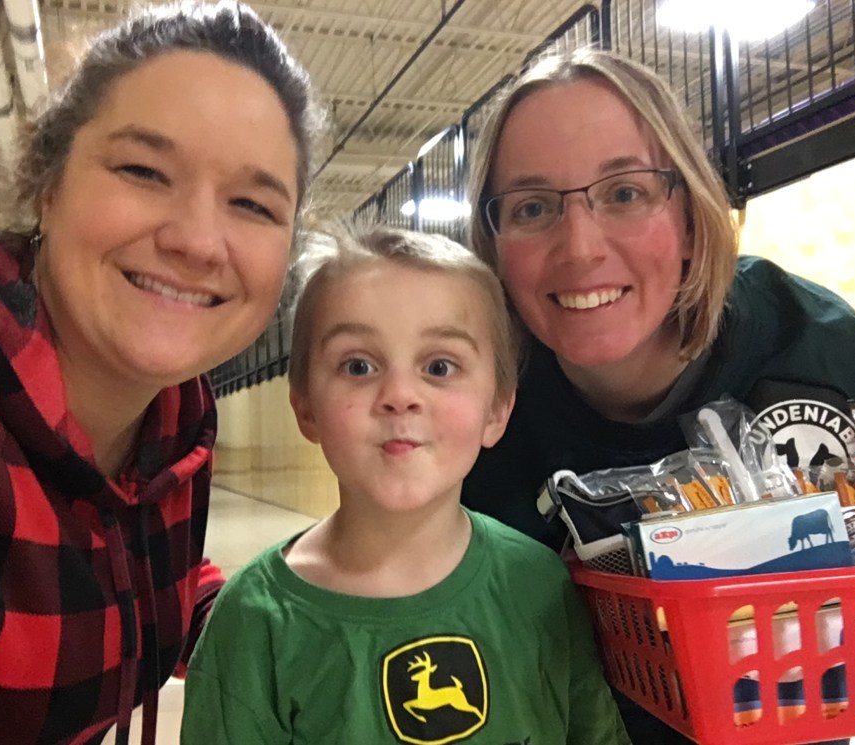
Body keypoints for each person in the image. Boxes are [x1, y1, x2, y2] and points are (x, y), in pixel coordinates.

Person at [460, 47, 855, 744]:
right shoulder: (473, 419)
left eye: (624, 193)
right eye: (533, 207)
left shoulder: (813, 345)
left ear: (690, 219)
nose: (580, 248)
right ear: (493, 247)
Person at [0, 2, 322, 743]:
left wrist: (286, 618)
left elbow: (124, 549)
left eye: (252, 204)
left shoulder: (177, 416)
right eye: (143, 170)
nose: (197, 240)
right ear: (48, 183)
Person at [180, 224, 630, 744]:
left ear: (497, 409)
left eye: (439, 366)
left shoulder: (540, 586)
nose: (399, 394)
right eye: (358, 365)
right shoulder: (252, 623)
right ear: (305, 406)